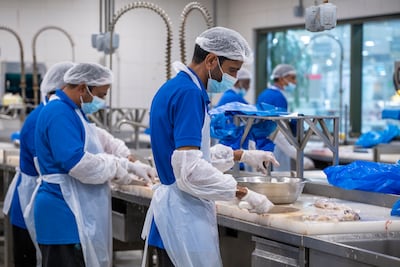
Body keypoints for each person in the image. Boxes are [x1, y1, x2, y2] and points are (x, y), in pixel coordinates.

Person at [141, 26, 280, 267]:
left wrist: (242, 155)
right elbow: (190, 171)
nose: (234, 79)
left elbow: (191, 157)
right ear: (211, 60)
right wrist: (243, 193)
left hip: (174, 214)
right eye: (232, 70)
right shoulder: (189, 94)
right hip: (182, 219)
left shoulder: (176, 88)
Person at [25, 62, 156, 267]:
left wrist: (129, 165)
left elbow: (94, 146)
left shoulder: (71, 110)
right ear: (83, 87)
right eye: (101, 95)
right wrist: (118, 169)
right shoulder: (59, 112)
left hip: (70, 210)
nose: (102, 101)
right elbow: (78, 163)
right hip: (63, 213)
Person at [3, 61, 75, 267]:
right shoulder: (45, 117)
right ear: (63, 89)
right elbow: (53, 162)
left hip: (42, 202)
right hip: (31, 203)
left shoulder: (58, 113)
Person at [257, 64, 314, 171]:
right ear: (282, 78)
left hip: (262, 143)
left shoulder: (264, 94)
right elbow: (278, 130)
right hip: (276, 144)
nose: (295, 82)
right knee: (279, 175)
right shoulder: (278, 97)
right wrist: (300, 158)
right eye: (292, 78)